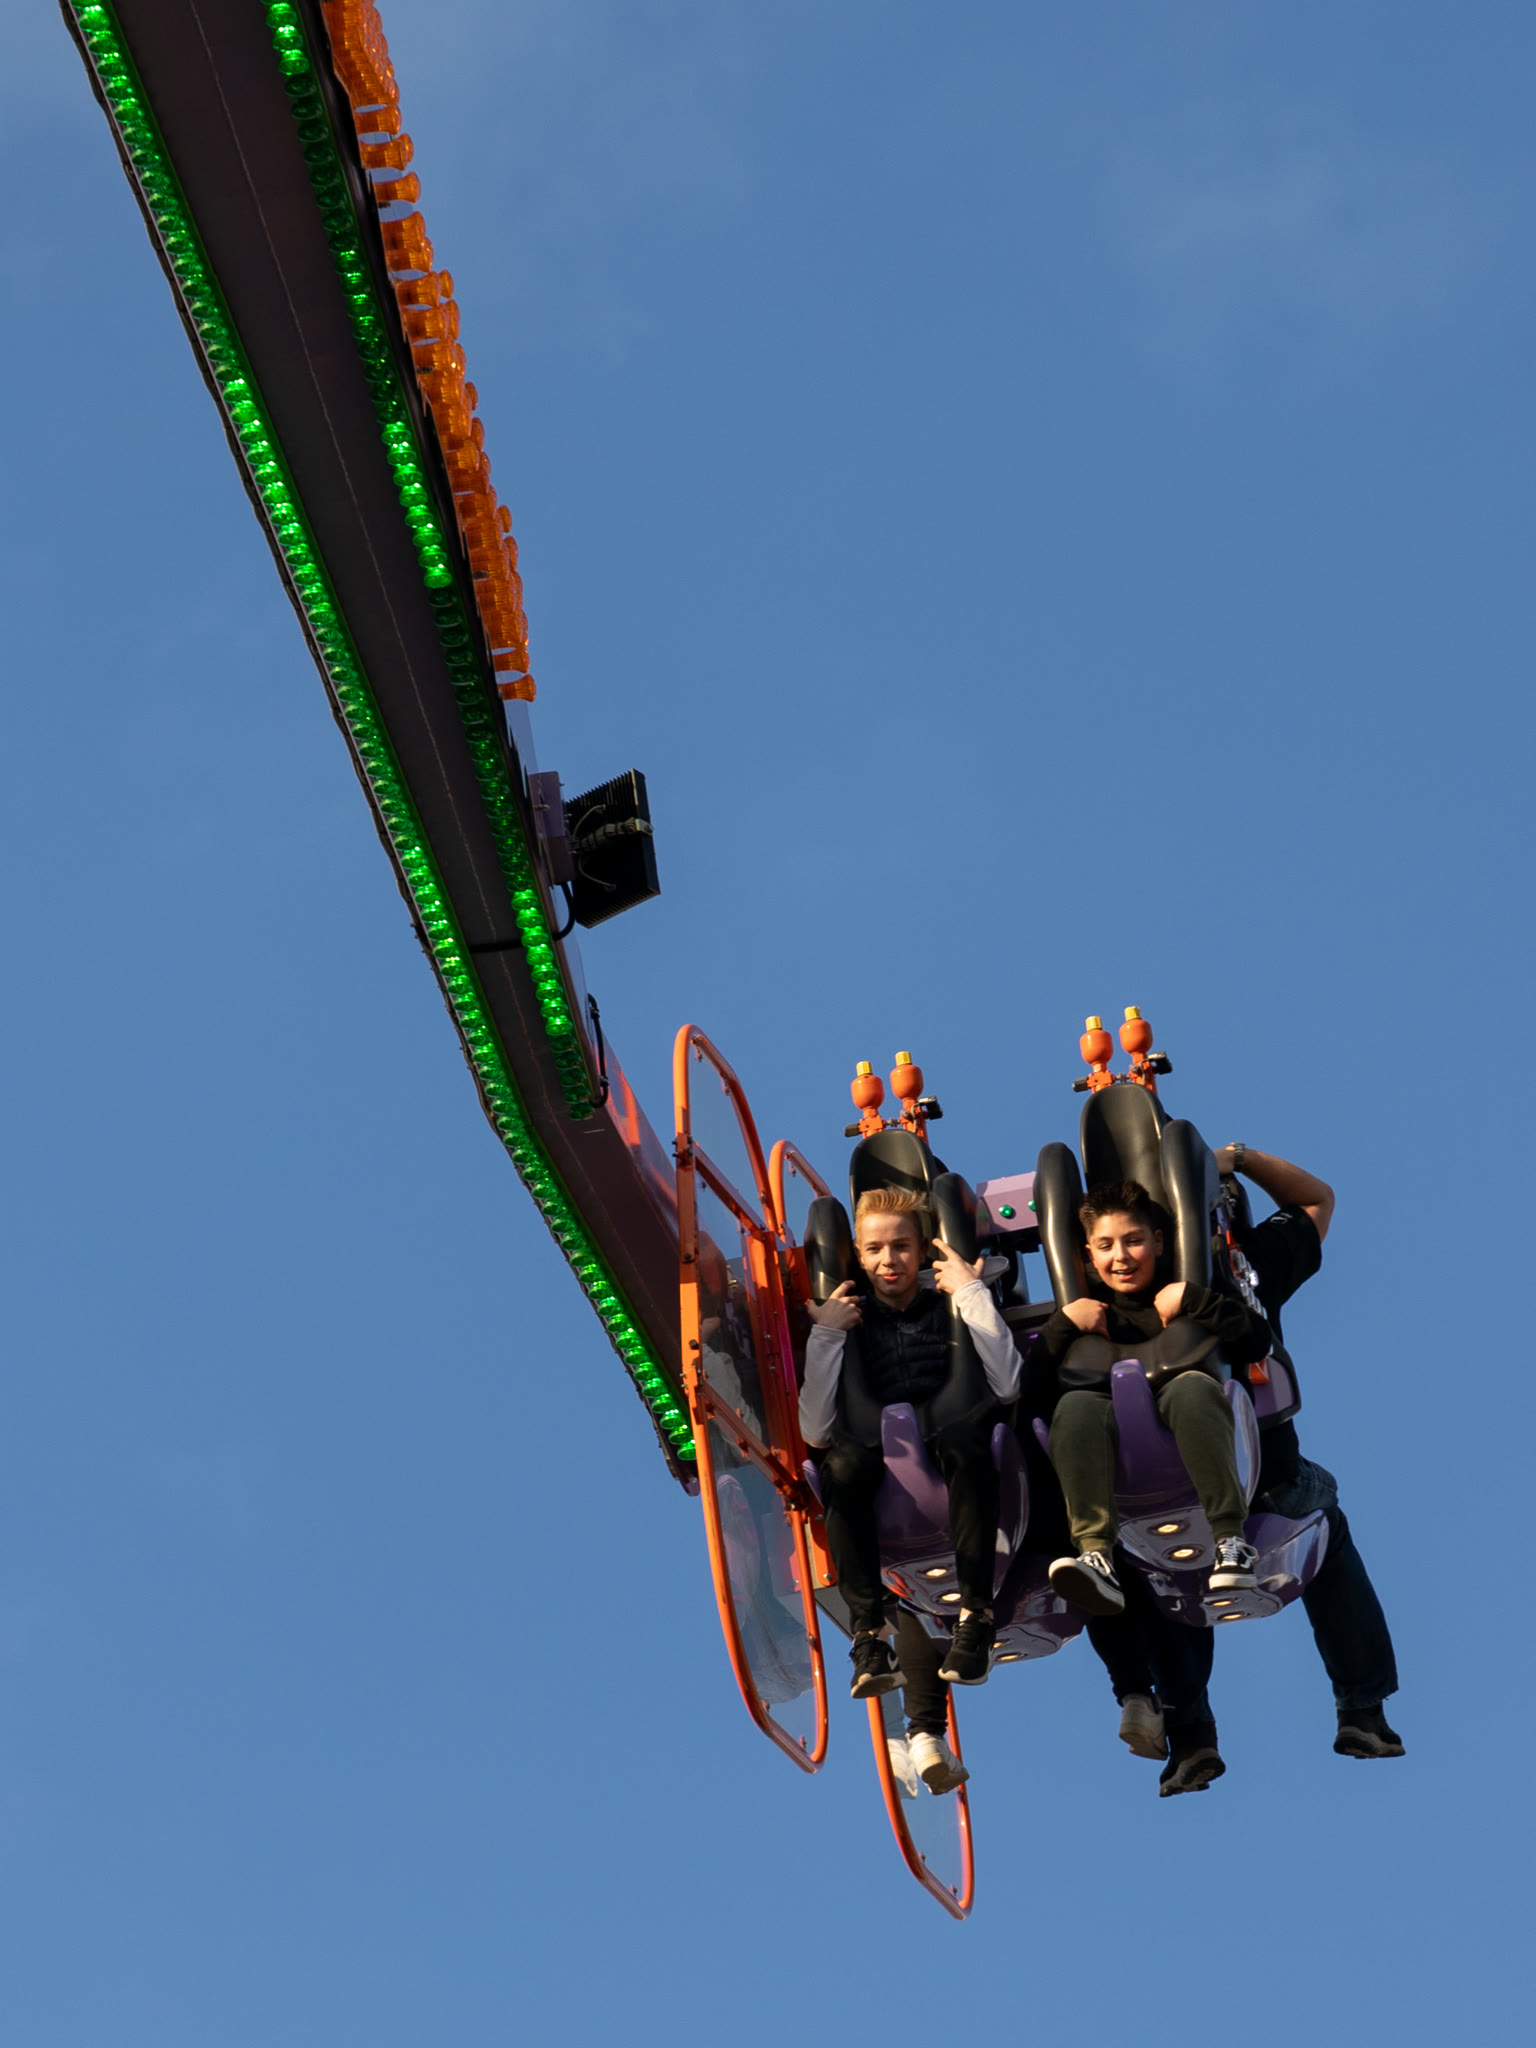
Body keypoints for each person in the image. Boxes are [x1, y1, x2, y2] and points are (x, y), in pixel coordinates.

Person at [1213, 1142, 1404, 1760]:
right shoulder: (1247, 1265)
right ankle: (1362, 1708)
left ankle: (1182, 1724)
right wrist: (1239, 1158)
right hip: (1262, 1480)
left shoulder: (1109, 1270)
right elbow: (1317, 1199)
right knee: (1326, 1522)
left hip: (1143, 1485)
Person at [800, 1186, 1022, 1698]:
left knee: (966, 1442)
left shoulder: (948, 1305)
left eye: (901, 1246)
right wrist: (827, 1334)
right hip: (880, 1452)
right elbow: (815, 1430)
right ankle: (869, 1637)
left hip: (951, 1437)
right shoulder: (852, 1320)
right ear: (858, 1257)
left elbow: (1009, 1384)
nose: (889, 1260)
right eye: (875, 1249)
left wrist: (971, 1293)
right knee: (840, 1468)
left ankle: (976, 1616)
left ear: (923, 1250)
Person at [1035, 1180, 1274, 1618]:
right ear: (1088, 1255)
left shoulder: (1189, 1292)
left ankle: (1231, 1541)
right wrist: (1063, 1324)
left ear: (1158, 1242)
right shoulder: (1087, 1312)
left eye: (1134, 1241)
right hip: (1119, 1461)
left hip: (1193, 1429)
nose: (1121, 1257)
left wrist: (1195, 1300)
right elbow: (1029, 1391)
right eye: (1106, 1246)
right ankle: (1096, 1554)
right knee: (1074, 1407)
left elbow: (1258, 1341)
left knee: (1190, 1388)